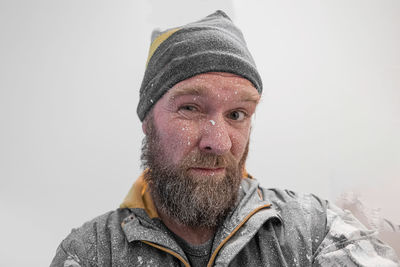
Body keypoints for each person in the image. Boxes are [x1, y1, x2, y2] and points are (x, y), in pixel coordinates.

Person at [51, 10, 400, 266]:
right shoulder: (91, 252)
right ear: (147, 121)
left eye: (236, 115)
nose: (218, 143)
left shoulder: (315, 230)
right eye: (190, 108)